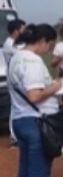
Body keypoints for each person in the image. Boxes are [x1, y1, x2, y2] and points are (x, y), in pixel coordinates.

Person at [9, 24, 61, 177]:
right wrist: (55, 87)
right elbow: (34, 95)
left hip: (20, 118)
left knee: (25, 168)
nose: (49, 49)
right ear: (42, 40)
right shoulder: (33, 61)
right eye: (50, 44)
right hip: (36, 121)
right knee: (38, 170)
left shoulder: (16, 57)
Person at [4, 18, 26, 146]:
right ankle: (14, 136)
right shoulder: (9, 44)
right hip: (13, 81)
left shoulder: (16, 43)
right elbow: (23, 54)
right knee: (15, 107)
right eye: (22, 29)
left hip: (18, 79)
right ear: (16, 30)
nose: (24, 31)